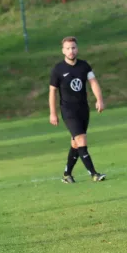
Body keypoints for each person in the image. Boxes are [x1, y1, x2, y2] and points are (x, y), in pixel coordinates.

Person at [49, 36, 106, 183]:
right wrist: (53, 113)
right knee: (81, 140)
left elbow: (93, 82)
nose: (71, 51)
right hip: (68, 111)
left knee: (75, 143)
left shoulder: (84, 66)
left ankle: (67, 174)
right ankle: (93, 173)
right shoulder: (58, 69)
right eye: (68, 48)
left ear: (77, 48)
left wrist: (99, 99)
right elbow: (52, 92)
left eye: (73, 48)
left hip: (83, 109)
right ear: (63, 51)